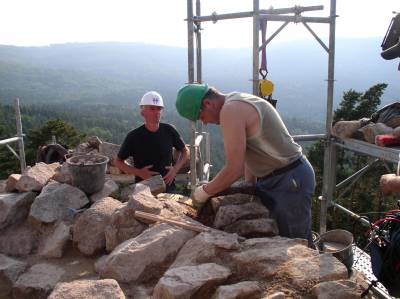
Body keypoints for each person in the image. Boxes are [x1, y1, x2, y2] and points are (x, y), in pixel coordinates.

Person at [175, 84, 315, 245]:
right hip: (281, 177)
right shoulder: (236, 101)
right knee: (282, 238)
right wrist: (250, 185)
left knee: (296, 244)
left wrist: (203, 192)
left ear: (207, 104)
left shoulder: (230, 110)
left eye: (201, 117)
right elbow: (248, 152)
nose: (204, 122)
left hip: (290, 179)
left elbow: (235, 168)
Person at [114, 91, 188, 193]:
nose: (157, 112)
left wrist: (175, 170)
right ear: (142, 113)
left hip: (168, 187)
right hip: (144, 190)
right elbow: (118, 162)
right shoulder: (134, 136)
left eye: (159, 109)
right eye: (152, 109)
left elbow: (185, 151)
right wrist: (139, 172)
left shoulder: (169, 130)